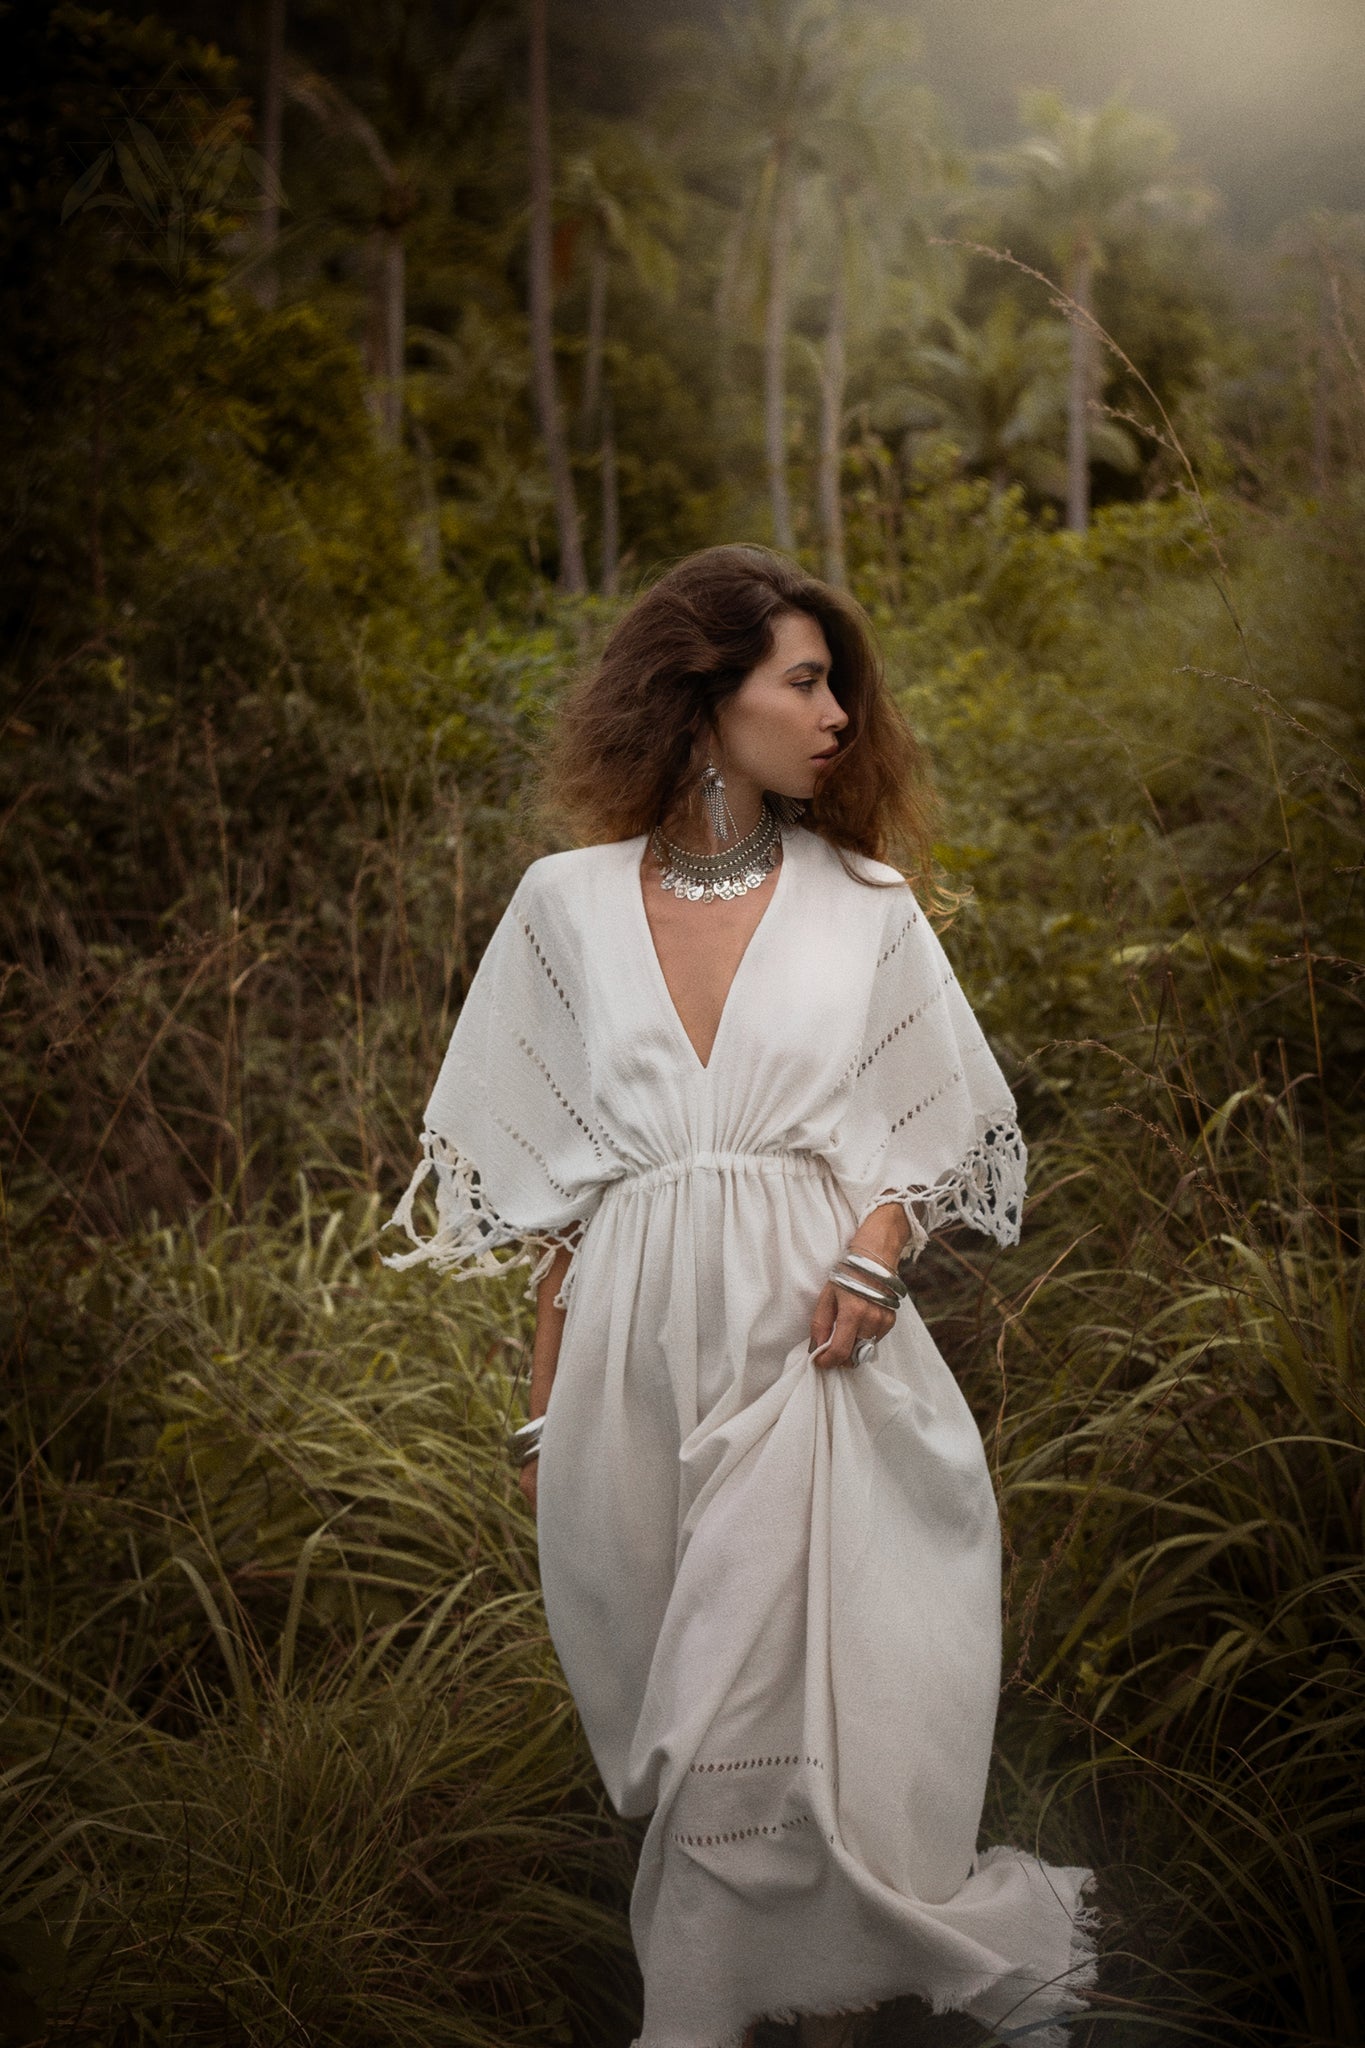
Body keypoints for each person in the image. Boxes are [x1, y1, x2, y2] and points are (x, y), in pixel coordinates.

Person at [386, 545, 1097, 2048]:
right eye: (801, 679)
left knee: (774, 1722)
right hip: (626, 1369)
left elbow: (930, 1123)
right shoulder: (560, 908)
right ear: (702, 698)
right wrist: (537, 1425)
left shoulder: (865, 901)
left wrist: (876, 1247)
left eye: (835, 683)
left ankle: (763, 2018)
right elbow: (557, 1207)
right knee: (678, 1723)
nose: (835, 711)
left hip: (813, 1354)